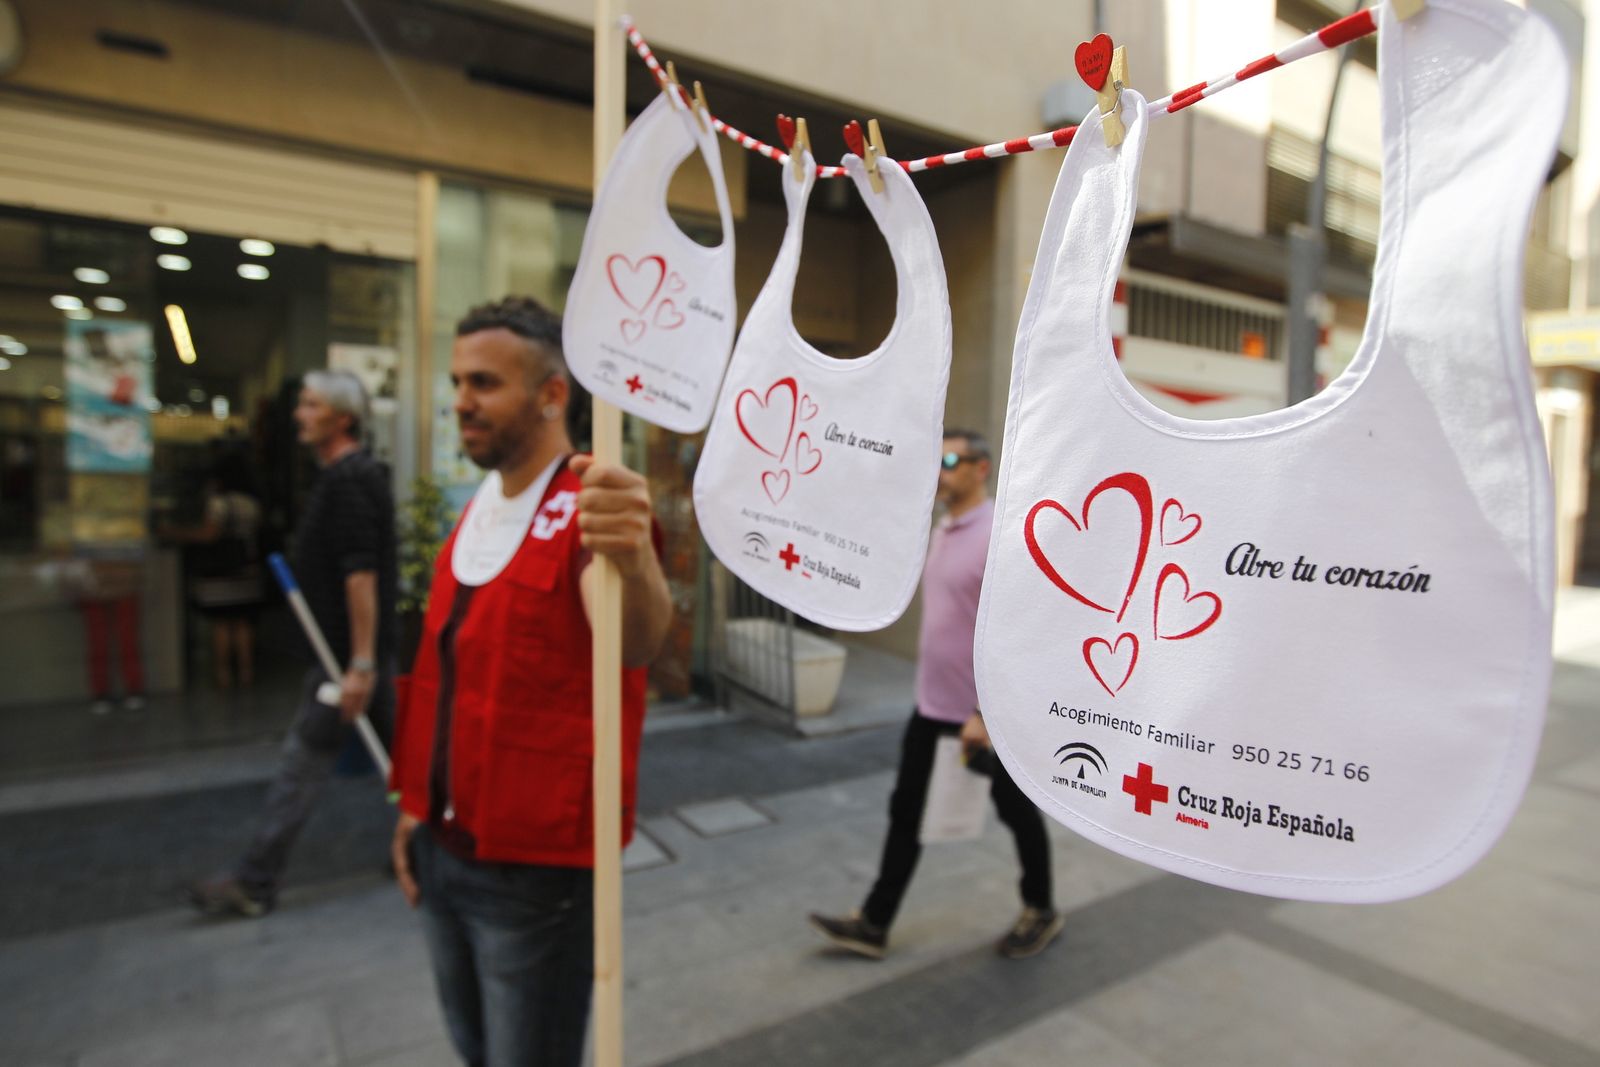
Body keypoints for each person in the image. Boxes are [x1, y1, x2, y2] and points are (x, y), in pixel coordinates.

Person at [388, 296, 672, 1067]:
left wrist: (632, 555)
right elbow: (444, 679)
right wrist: (414, 807)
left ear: (551, 394)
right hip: (443, 849)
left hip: (533, 874)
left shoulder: (591, 512)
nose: (460, 401)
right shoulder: (478, 510)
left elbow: (636, 641)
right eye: (457, 381)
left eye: (483, 383)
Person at [808, 430, 1063, 960]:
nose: (940, 469)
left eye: (950, 459)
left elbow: (1019, 632)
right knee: (906, 811)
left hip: (983, 718)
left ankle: (1041, 908)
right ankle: (875, 923)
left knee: (1016, 812)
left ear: (981, 468)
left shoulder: (998, 534)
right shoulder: (943, 528)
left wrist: (984, 713)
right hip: (932, 707)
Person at [187, 369, 398, 918]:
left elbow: (361, 576)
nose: (299, 414)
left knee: (302, 768)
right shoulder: (341, 477)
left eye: (311, 405)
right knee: (407, 763)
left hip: (344, 659)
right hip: (349, 656)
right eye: (301, 403)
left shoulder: (350, 481)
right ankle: (432, 851)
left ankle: (255, 880)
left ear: (342, 419)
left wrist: (360, 663)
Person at [164, 448, 265, 689]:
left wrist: (175, 532)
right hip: (247, 568)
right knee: (242, 623)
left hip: (220, 571)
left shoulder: (219, 503)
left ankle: (223, 674)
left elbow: (209, 534)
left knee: (222, 624)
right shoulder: (251, 503)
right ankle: (247, 673)